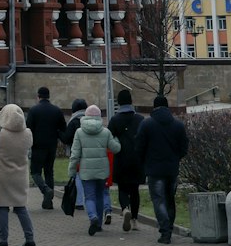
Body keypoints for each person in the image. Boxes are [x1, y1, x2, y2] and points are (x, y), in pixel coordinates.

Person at [136, 93, 189, 245]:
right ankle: (169, 228)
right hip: (172, 168)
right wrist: (175, 158)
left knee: (159, 200)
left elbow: (139, 147)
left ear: (154, 107)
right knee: (169, 199)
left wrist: (144, 162)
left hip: (154, 169)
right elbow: (184, 148)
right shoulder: (178, 125)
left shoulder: (147, 124)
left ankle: (165, 230)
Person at [0, 103, 37, 246]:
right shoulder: (28, 133)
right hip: (20, 176)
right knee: (21, 207)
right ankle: (30, 240)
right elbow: (29, 146)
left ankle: (3, 242)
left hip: (2, 175)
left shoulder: (0, 132)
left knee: (2, 207)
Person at [68, 105, 120, 235]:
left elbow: (75, 154)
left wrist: (72, 171)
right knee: (100, 196)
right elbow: (115, 149)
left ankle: (93, 217)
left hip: (86, 171)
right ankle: (99, 224)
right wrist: (117, 140)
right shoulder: (105, 132)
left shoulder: (79, 132)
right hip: (102, 170)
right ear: (99, 117)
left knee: (89, 197)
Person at [108, 88, 145, 231]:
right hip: (137, 160)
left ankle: (124, 209)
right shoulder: (140, 119)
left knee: (122, 188)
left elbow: (109, 138)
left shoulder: (115, 120)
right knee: (135, 190)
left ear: (119, 102)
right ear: (131, 101)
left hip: (121, 159)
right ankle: (135, 220)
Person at [25, 86, 66, 209]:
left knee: (35, 172)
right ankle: (48, 202)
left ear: (38, 96)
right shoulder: (56, 110)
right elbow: (63, 128)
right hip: (52, 146)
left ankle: (45, 190)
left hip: (37, 146)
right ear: (48, 96)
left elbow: (28, 129)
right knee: (49, 172)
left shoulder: (33, 110)